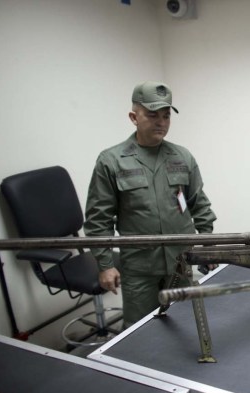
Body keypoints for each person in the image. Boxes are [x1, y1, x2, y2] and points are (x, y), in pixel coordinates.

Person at [84, 81, 217, 327]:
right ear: (134, 117)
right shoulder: (112, 161)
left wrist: (207, 244)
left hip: (182, 262)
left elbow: (199, 205)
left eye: (166, 116)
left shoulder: (182, 157)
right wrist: (105, 265)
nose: (161, 122)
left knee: (187, 324)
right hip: (139, 266)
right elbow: (98, 219)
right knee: (139, 331)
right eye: (152, 115)